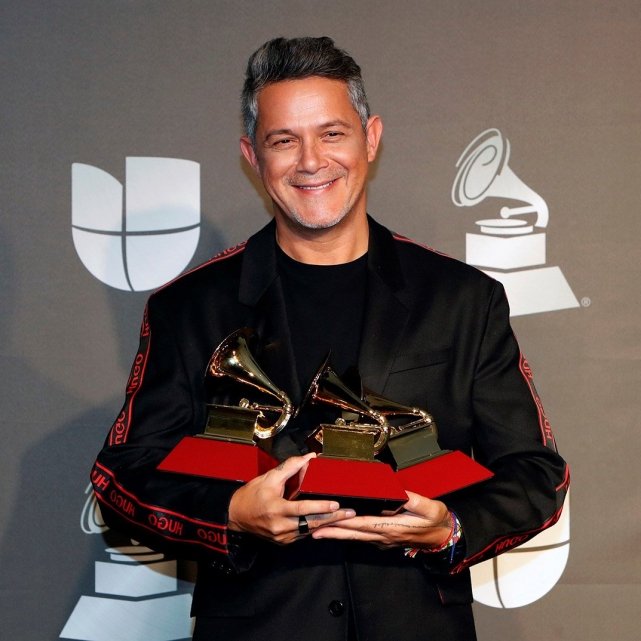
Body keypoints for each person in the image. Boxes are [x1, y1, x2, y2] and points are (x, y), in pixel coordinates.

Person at [91, 36, 569, 641]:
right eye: (283, 140)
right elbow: (122, 473)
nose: (311, 161)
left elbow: (535, 473)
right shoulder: (188, 308)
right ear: (252, 155)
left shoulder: (462, 299)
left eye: (332, 133)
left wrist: (450, 527)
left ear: (370, 138)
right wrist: (233, 514)